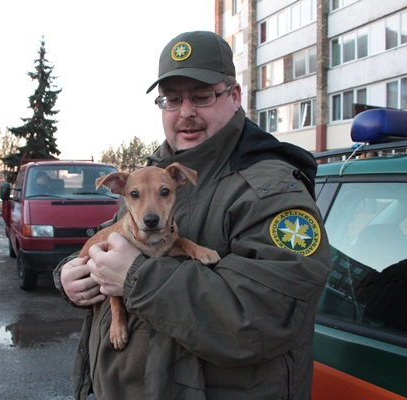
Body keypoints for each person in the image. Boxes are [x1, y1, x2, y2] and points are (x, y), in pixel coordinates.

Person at [54, 30, 331, 400]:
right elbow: (115, 239)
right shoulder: (153, 174)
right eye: (172, 99)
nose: (185, 112)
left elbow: (264, 316)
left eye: (201, 96)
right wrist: (72, 275)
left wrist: (136, 277)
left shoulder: (269, 188)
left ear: (234, 96)